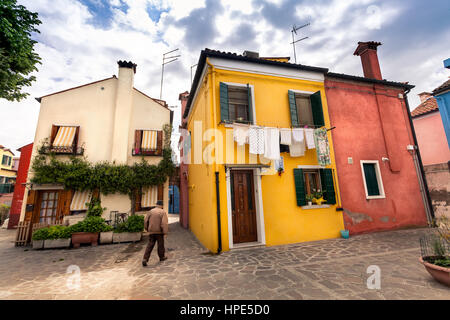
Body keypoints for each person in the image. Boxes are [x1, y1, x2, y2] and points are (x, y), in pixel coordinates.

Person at [142, 200, 168, 266]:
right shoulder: (163, 212)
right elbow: (164, 223)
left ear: (156, 205)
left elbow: (145, 221)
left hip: (151, 231)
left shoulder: (150, 211)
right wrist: (165, 232)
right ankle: (162, 257)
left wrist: (147, 229)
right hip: (159, 232)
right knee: (160, 245)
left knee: (150, 245)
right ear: (162, 205)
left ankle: (145, 259)